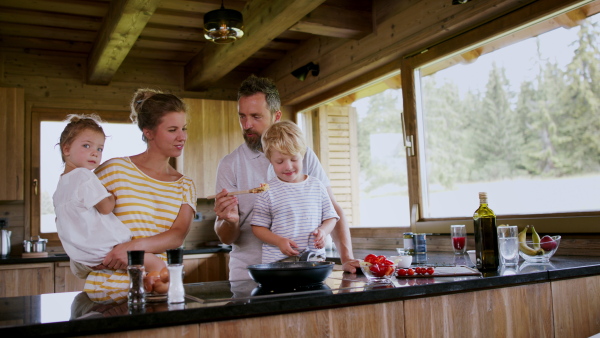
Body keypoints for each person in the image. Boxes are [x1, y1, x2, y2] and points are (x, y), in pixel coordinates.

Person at [214, 75, 360, 281]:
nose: (246, 125)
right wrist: (229, 222)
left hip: (307, 270)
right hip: (248, 275)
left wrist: (347, 258)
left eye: (256, 116)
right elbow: (225, 236)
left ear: (276, 116)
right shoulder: (230, 164)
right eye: (242, 116)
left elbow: (332, 210)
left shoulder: (303, 155)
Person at [83, 89, 197, 303]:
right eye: (172, 129)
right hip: (110, 292)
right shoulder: (114, 171)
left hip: (160, 288)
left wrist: (131, 249)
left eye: (184, 128)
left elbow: (177, 236)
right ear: (148, 132)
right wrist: (87, 258)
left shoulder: (185, 185)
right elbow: (80, 219)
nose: (182, 136)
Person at [53, 114, 166, 280]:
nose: (94, 153)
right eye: (86, 146)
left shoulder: (60, 187)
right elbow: (105, 208)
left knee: (136, 272)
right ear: (66, 149)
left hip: (84, 256)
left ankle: (144, 282)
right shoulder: (83, 176)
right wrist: (111, 196)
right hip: (105, 249)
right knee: (158, 265)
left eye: (99, 149)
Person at [251, 121, 339, 263]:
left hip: (314, 263)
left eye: (294, 159)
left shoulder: (317, 186)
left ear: (303, 155)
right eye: (280, 161)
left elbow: (331, 217)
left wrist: (323, 231)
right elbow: (258, 228)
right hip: (278, 266)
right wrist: (279, 241)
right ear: (270, 160)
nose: (288, 166)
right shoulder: (267, 191)